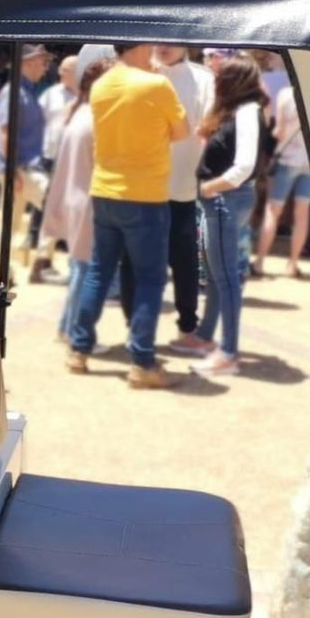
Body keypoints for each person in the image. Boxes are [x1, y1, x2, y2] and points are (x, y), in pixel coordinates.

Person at [67, 44, 188, 388]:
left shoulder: (101, 84)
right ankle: (143, 361)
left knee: (99, 271)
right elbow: (182, 133)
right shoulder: (156, 85)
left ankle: (79, 349)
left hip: (105, 190)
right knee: (150, 279)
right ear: (145, 48)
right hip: (145, 195)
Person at [192, 58, 271, 377]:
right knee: (217, 274)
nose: (214, 80)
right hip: (222, 199)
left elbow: (244, 166)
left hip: (225, 199)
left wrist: (210, 187)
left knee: (224, 278)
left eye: (219, 76)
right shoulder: (239, 110)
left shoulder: (247, 111)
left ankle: (228, 353)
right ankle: (206, 336)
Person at [41, 53, 114, 351]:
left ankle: (66, 327)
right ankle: (75, 333)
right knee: (85, 272)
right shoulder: (95, 117)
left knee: (79, 270)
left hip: (75, 200)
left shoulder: (79, 111)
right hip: (88, 202)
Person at [153, 45, 215, 353]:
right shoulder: (140, 73)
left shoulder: (203, 80)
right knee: (140, 264)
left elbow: (209, 129)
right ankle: (140, 337)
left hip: (183, 189)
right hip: (142, 188)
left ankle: (187, 327)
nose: (162, 47)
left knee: (184, 263)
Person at [0, 44, 54, 280]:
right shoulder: (14, 92)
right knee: (58, 208)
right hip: (21, 169)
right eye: (43, 63)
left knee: (10, 223)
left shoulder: (25, 91)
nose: (46, 69)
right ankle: (39, 264)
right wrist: (13, 172)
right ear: (31, 63)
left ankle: (3, 271)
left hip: (23, 168)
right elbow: (5, 132)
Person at [254, 83, 310, 278]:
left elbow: (279, 131)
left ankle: (260, 261)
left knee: (273, 211)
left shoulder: (285, 95)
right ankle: (292, 263)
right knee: (302, 214)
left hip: (287, 158)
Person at [30, 54, 77, 284]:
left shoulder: (85, 96)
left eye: (72, 70)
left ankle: (58, 248)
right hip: (49, 155)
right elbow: (37, 122)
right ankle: (38, 248)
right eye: (67, 70)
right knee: (46, 202)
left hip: (73, 159)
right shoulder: (51, 95)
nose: (65, 74)